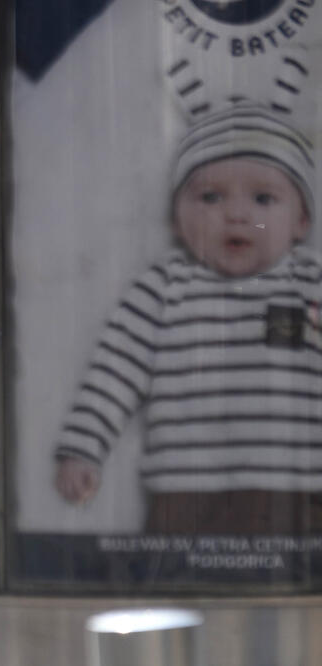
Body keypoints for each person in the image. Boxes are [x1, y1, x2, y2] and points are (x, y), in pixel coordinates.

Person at [54, 103, 322, 535]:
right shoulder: (164, 288)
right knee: (182, 586)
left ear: (301, 221)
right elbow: (115, 369)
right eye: (210, 197)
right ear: (176, 220)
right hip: (186, 492)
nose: (236, 213)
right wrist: (83, 448)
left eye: (263, 198)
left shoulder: (311, 286)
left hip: (297, 488)